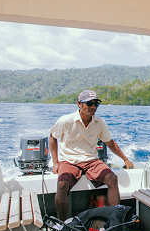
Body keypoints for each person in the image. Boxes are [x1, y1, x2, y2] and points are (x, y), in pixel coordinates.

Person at [49, 90, 133, 220]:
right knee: (62, 185)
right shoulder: (65, 121)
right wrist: (55, 162)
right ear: (79, 104)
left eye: (96, 104)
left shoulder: (99, 123)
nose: (93, 107)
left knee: (112, 178)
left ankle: (115, 221)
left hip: (92, 161)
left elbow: (110, 143)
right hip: (69, 161)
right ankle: (63, 224)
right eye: (89, 103)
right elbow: (52, 137)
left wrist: (125, 159)